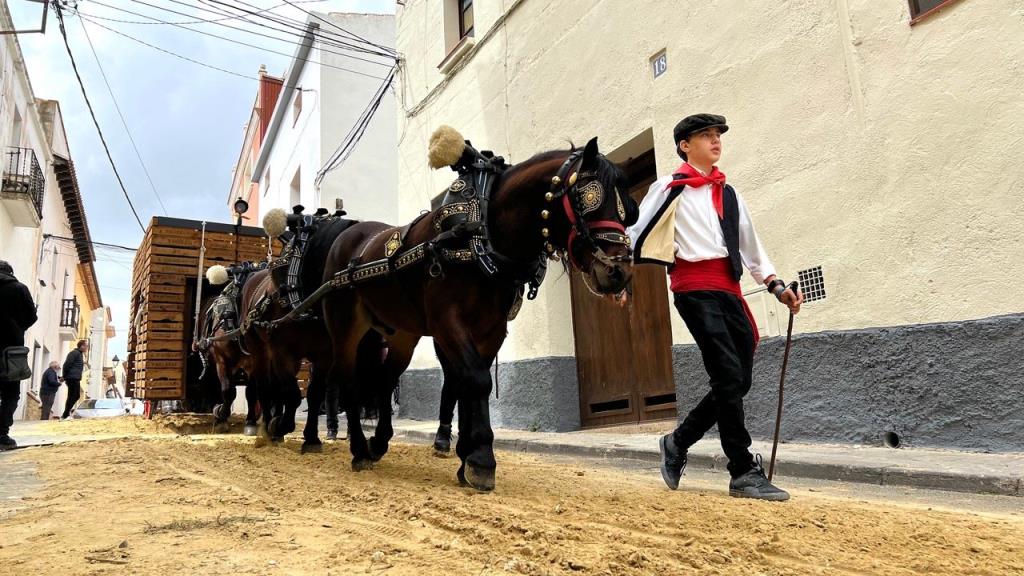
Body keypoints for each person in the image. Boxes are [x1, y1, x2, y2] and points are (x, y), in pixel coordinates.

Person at [628, 114, 803, 501]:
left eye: (717, 135)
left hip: (729, 289)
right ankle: (741, 469)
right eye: (705, 135)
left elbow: (751, 247)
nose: (715, 140)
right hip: (693, 288)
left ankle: (677, 442)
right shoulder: (668, 187)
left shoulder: (729, 194)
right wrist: (632, 269)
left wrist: (776, 286)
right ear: (684, 145)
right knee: (727, 373)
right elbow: (634, 234)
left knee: (737, 381)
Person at [0, 260, 38, 450]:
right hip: (11, 350)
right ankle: (2, 435)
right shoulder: (19, 288)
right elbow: (32, 315)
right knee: (10, 393)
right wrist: (17, 327)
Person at [61, 340, 88, 420]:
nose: (87, 348)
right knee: (75, 395)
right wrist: (64, 376)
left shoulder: (79, 354)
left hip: (74, 378)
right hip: (72, 378)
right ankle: (65, 414)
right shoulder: (74, 353)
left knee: (72, 396)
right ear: (82, 346)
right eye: (86, 346)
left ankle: (66, 414)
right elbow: (66, 364)